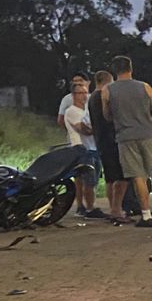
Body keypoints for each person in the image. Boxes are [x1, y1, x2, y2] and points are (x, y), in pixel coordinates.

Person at [101, 55, 152, 228]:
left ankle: (146, 215)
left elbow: (107, 115)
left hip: (125, 137)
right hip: (147, 134)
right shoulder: (145, 87)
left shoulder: (108, 90)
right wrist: (146, 123)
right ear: (131, 68)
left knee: (138, 177)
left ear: (115, 70)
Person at [89, 70, 133, 223]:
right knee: (122, 177)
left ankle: (114, 208)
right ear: (108, 81)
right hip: (111, 140)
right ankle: (117, 209)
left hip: (100, 141)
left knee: (110, 178)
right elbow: (110, 117)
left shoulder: (91, 98)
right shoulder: (102, 96)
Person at [61, 75, 102, 218]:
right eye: (80, 93)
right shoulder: (72, 111)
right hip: (81, 147)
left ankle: (85, 206)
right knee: (87, 180)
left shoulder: (86, 111)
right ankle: (88, 207)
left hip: (92, 147)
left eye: (85, 93)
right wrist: (95, 129)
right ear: (73, 95)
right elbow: (84, 129)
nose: (84, 96)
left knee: (91, 179)